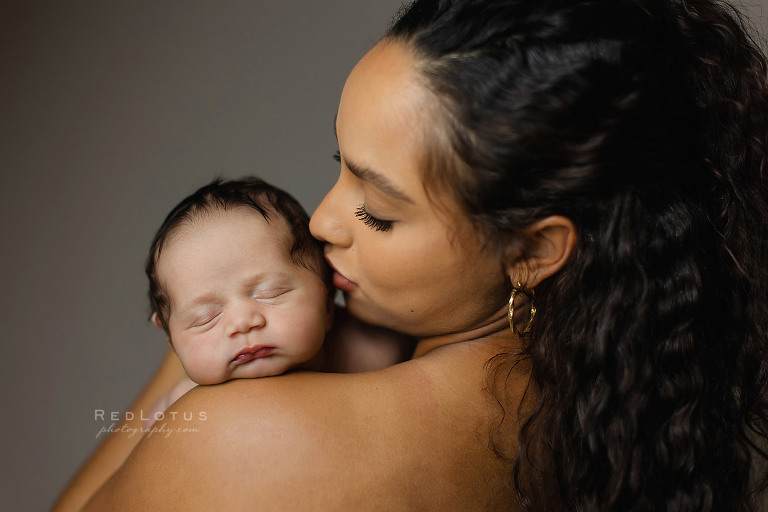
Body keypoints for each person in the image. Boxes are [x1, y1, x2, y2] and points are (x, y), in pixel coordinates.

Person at [55, 0, 768, 510]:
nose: (324, 220)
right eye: (340, 165)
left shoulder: (248, 439)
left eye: (379, 209)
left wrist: (201, 323)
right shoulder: (628, 410)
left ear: (534, 250)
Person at [142, 177, 408, 420]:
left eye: (271, 293)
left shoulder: (373, 351)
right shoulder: (177, 411)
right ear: (172, 342)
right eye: (206, 318)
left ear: (328, 302)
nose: (243, 323)